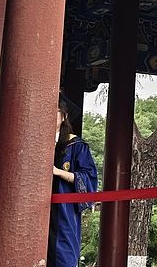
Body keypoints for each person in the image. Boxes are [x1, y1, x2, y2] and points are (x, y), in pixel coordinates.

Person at [48, 96, 98, 267]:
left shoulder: (76, 145)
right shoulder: (36, 142)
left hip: (63, 210)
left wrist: (59, 172)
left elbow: (89, 179)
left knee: (63, 255)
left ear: (65, 116)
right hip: (35, 208)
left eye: (55, 111)